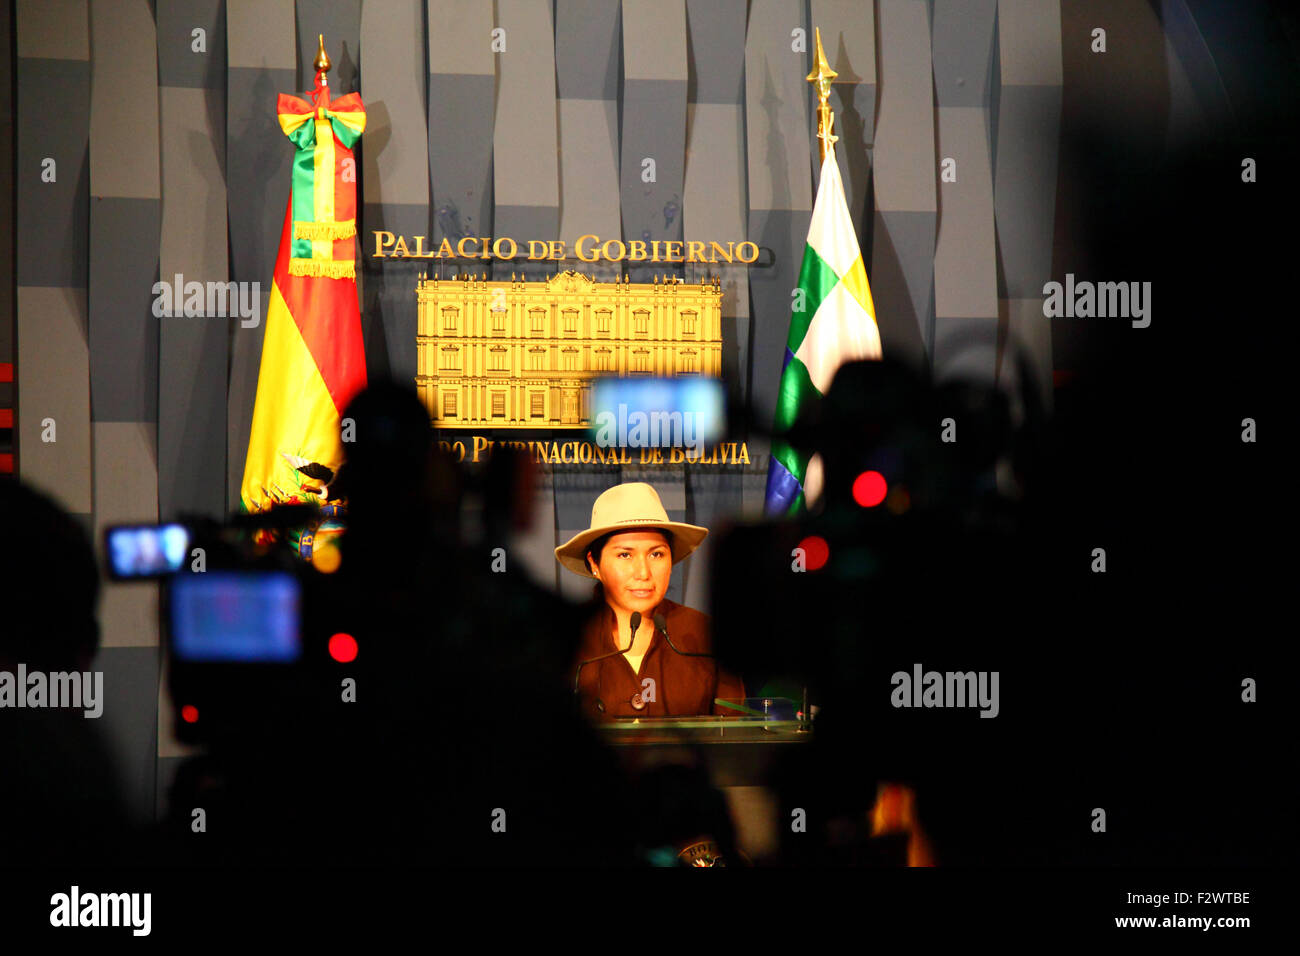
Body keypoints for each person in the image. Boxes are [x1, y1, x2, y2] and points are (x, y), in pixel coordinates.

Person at [555, 482, 744, 719]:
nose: (643, 572)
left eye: (656, 554)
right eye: (625, 555)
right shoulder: (564, 639)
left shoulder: (706, 634)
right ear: (595, 563)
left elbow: (735, 736)